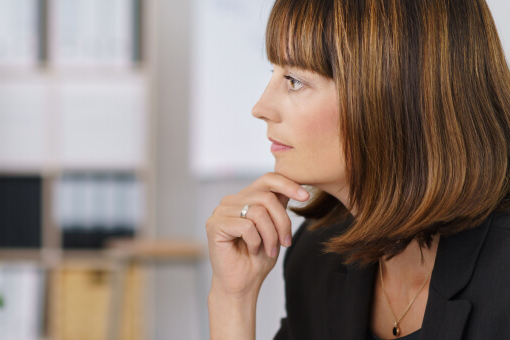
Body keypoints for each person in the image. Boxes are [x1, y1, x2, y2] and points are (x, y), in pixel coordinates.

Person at [204, 0, 510, 339]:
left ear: (392, 91)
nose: (260, 108)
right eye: (273, 73)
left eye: (293, 80)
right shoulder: (318, 256)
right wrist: (232, 298)